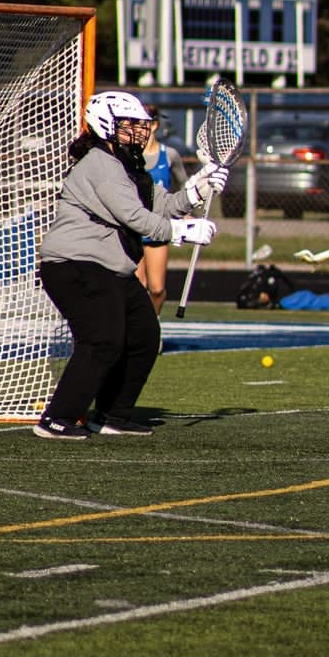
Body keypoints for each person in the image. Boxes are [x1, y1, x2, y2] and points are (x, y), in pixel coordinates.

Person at [34, 91, 227, 439]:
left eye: (142, 125)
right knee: (103, 338)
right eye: (130, 125)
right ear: (107, 126)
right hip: (76, 264)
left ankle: (111, 414)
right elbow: (137, 218)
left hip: (111, 267)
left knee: (144, 336)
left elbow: (164, 206)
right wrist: (182, 232)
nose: (140, 131)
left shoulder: (128, 165)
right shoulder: (99, 164)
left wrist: (198, 188)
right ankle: (57, 418)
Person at [136, 105, 188, 315]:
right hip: (134, 227)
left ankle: (152, 322)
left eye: (143, 124)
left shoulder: (169, 155)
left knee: (156, 289)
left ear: (154, 125)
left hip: (158, 229)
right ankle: (141, 332)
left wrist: (184, 213)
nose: (138, 129)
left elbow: (183, 186)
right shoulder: (130, 156)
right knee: (138, 287)